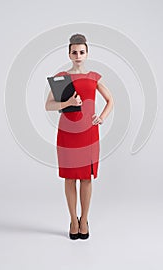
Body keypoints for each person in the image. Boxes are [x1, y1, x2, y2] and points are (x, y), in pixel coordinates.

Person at [45, 34, 114, 240]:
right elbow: (49, 105)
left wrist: (101, 117)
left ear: (87, 54)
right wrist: (68, 104)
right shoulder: (61, 77)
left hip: (89, 134)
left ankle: (84, 220)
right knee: (69, 177)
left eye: (81, 52)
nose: (78, 55)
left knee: (86, 177)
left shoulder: (94, 77)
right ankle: (73, 220)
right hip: (67, 132)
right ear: (69, 53)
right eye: (74, 52)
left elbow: (110, 100)